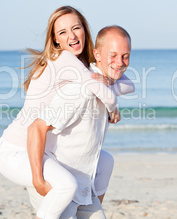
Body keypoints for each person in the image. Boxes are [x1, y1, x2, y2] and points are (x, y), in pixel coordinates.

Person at [0, 6, 134, 219]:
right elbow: (96, 88)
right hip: (21, 147)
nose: (72, 36)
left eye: (76, 28)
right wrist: (113, 108)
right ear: (56, 40)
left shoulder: (81, 66)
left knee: (105, 161)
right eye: (62, 32)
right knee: (66, 186)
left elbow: (124, 84)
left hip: (44, 147)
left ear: (85, 30)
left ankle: (89, 206)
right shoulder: (65, 60)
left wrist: (108, 86)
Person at [27, 25, 132, 219]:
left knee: (107, 160)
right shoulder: (81, 90)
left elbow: (126, 86)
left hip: (84, 187)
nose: (120, 62)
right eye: (113, 55)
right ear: (97, 54)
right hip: (59, 185)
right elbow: (36, 128)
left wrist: (112, 107)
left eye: (125, 56)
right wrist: (38, 181)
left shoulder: (107, 86)